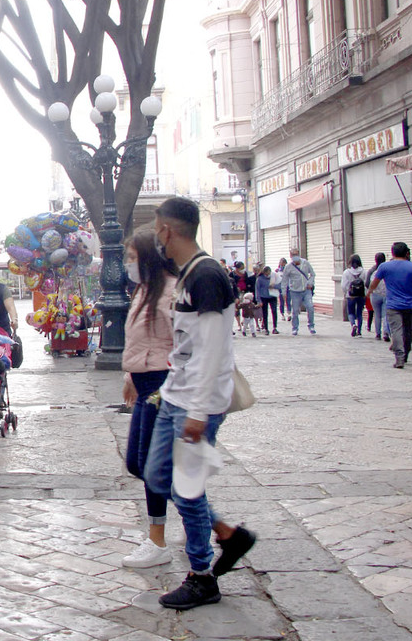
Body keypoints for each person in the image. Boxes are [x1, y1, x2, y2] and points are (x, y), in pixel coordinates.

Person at [146, 197, 256, 611]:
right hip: (176, 394)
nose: (158, 237)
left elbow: (212, 350)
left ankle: (202, 576)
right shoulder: (189, 274)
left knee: (186, 489)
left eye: (158, 229)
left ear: (167, 231)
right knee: (157, 476)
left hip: (197, 402)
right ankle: (227, 533)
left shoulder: (207, 275)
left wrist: (197, 412)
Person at [119, 229, 178, 569]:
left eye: (132, 257)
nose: (128, 264)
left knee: (152, 468)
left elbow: (181, 345)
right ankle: (209, 519)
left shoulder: (170, 292)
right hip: (143, 384)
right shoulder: (143, 290)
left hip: (160, 385)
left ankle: (158, 540)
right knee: (138, 464)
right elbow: (143, 340)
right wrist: (130, 375)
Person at [369, 242, 412, 369]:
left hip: (393, 305)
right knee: (407, 331)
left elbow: (375, 282)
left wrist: (369, 291)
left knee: (396, 330)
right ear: (407, 253)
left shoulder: (384, 267)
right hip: (409, 305)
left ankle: (399, 357)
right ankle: (406, 354)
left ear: (392, 253)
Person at [283, 249, 316, 335]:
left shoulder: (305, 263)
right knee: (295, 310)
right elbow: (284, 280)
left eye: (296, 254)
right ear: (290, 256)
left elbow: (312, 274)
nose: (295, 256)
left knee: (310, 307)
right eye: (293, 255)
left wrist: (310, 283)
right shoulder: (288, 267)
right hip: (294, 291)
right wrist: (284, 293)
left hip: (306, 290)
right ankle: (295, 328)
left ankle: (311, 325)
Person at [340, 255, 366, 337]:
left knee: (351, 312)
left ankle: (353, 324)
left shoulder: (346, 272)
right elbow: (366, 284)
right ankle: (359, 331)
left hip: (350, 295)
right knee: (359, 313)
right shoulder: (364, 272)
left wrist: (346, 292)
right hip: (361, 295)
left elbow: (343, 285)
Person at [367, 252, 389, 341]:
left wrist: (369, 291)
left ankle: (377, 333)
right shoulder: (388, 270)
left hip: (375, 294)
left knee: (377, 314)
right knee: (385, 315)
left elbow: (368, 283)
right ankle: (386, 333)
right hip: (386, 294)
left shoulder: (372, 271)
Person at [255, 265, 277, 335]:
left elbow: (280, 284)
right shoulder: (260, 279)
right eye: (266, 274)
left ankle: (275, 327)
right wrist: (259, 300)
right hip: (264, 297)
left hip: (273, 296)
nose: (267, 275)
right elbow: (257, 289)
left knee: (274, 311)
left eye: (269, 273)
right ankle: (266, 328)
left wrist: (274, 286)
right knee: (265, 313)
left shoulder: (274, 277)